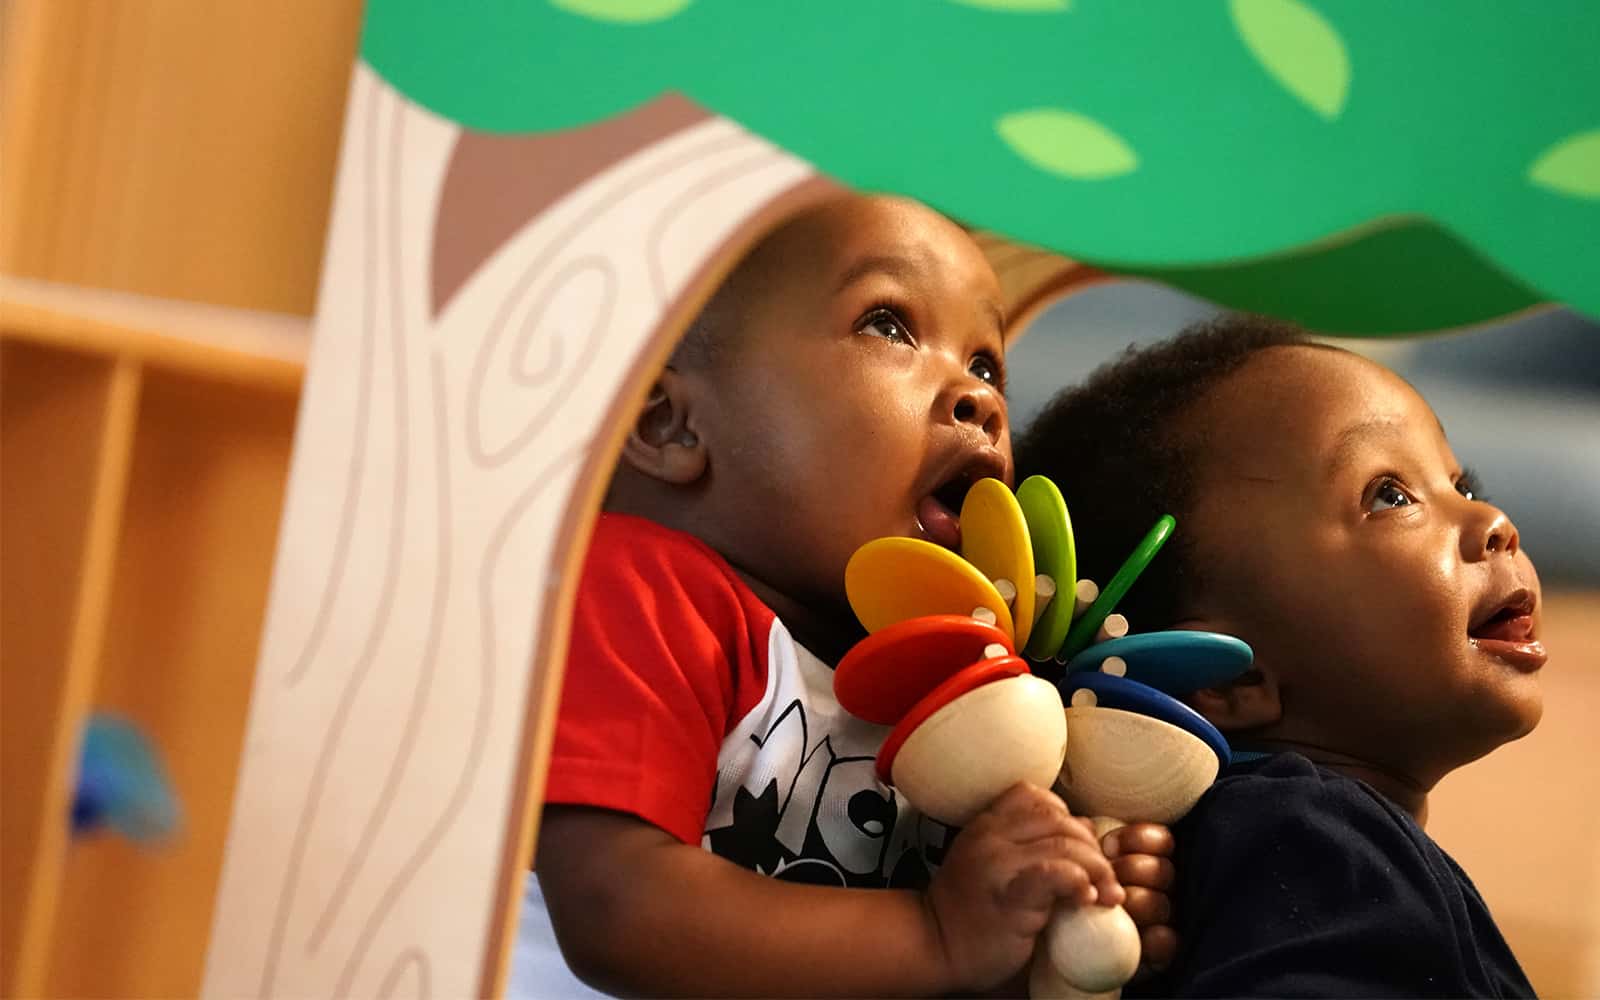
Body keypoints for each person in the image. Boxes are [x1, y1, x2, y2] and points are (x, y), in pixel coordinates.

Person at [514, 194, 1178, 997]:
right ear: (671, 427)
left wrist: (1051, 899)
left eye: (986, 364)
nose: (981, 399)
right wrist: (937, 932)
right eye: (888, 326)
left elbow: (954, 950)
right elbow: (619, 911)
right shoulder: (638, 590)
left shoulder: (954, 681)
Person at [1015, 316, 1542, 997]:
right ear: (1228, 679)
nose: (1493, 522)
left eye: (1462, 486)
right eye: (1390, 496)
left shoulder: (1272, 849)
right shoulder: (1309, 841)